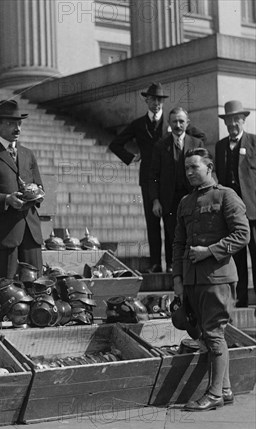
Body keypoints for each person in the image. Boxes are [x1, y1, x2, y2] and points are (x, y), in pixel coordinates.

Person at [172, 148, 249, 411]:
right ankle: (225, 390)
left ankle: (214, 394)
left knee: (214, 335)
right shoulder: (185, 202)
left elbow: (242, 234)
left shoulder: (227, 196)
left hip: (217, 279)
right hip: (192, 281)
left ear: (209, 167)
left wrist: (209, 251)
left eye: (194, 167)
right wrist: (177, 278)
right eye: (186, 169)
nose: (190, 172)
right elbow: (178, 243)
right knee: (206, 334)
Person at [109, 82, 206, 273]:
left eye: (160, 100)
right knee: (152, 223)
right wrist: (132, 156)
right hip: (149, 179)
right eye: (153, 99)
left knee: (172, 223)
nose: (156, 103)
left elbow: (198, 135)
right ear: (146, 100)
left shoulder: (173, 122)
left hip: (173, 179)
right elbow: (116, 144)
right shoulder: (138, 124)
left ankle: (171, 263)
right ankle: (155, 262)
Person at [0, 99, 44, 279]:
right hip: (5, 233)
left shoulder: (28, 154)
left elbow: (40, 187)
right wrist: (6, 199)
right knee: (7, 288)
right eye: (11, 123)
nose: (17, 128)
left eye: (19, 123)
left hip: (31, 231)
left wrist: (33, 193)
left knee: (37, 285)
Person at [150, 107, 204, 273]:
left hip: (191, 195)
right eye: (174, 121)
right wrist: (155, 200)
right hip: (169, 199)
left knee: (193, 232)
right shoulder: (160, 145)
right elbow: (153, 175)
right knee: (172, 233)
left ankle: (192, 266)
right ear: (169, 123)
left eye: (181, 121)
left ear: (187, 123)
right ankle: (173, 267)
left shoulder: (196, 143)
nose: (178, 125)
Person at [215, 100, 256, 308]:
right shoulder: (220, 145)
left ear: (243, 120)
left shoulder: (253, 142)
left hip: (253, 211)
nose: (232, 124)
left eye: (236, 120)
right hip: (232, 212)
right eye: (229, 120)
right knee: (237, 256)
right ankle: (240, 298)